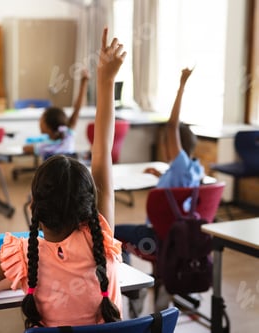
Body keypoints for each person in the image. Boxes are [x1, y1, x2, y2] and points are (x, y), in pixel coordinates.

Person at [0, 28, 126, 328]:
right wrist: (106, 82)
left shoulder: (26, 257)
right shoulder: (101, 240)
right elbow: (101, 153)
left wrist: (8, 282)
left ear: (33, 207)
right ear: (89, 205)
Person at [114, 67, 204, 314]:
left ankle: (134, 290)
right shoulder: (194, 170)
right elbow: (181, 189)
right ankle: (163, 279)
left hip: (156, 242)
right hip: (183, 242)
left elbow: (172, 125)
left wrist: (181, 85)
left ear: (175, 146)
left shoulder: (180, 163)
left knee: (113, 234)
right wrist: (161, 175)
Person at [22, 69, 90, 158]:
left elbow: (25, 148)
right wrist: (84, 83)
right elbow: (77, 109)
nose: (39, 122)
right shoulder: (68, 136)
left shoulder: (43, 147)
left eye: (41, 119)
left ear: (47, 127)